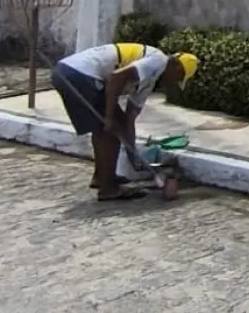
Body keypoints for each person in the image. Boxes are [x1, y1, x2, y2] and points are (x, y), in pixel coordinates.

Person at [50, 41, 199, 201]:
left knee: (111, 126)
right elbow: (116, 78)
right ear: (177, 67)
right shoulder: (158, 60)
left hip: (70, 72)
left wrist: (132, 156)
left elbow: (129, 118)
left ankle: (102, 177)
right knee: (111, 129)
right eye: (178, 78)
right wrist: (109, 117)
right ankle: (108, 189)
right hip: (78, 74)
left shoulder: (149, 80)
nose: (173, 83)